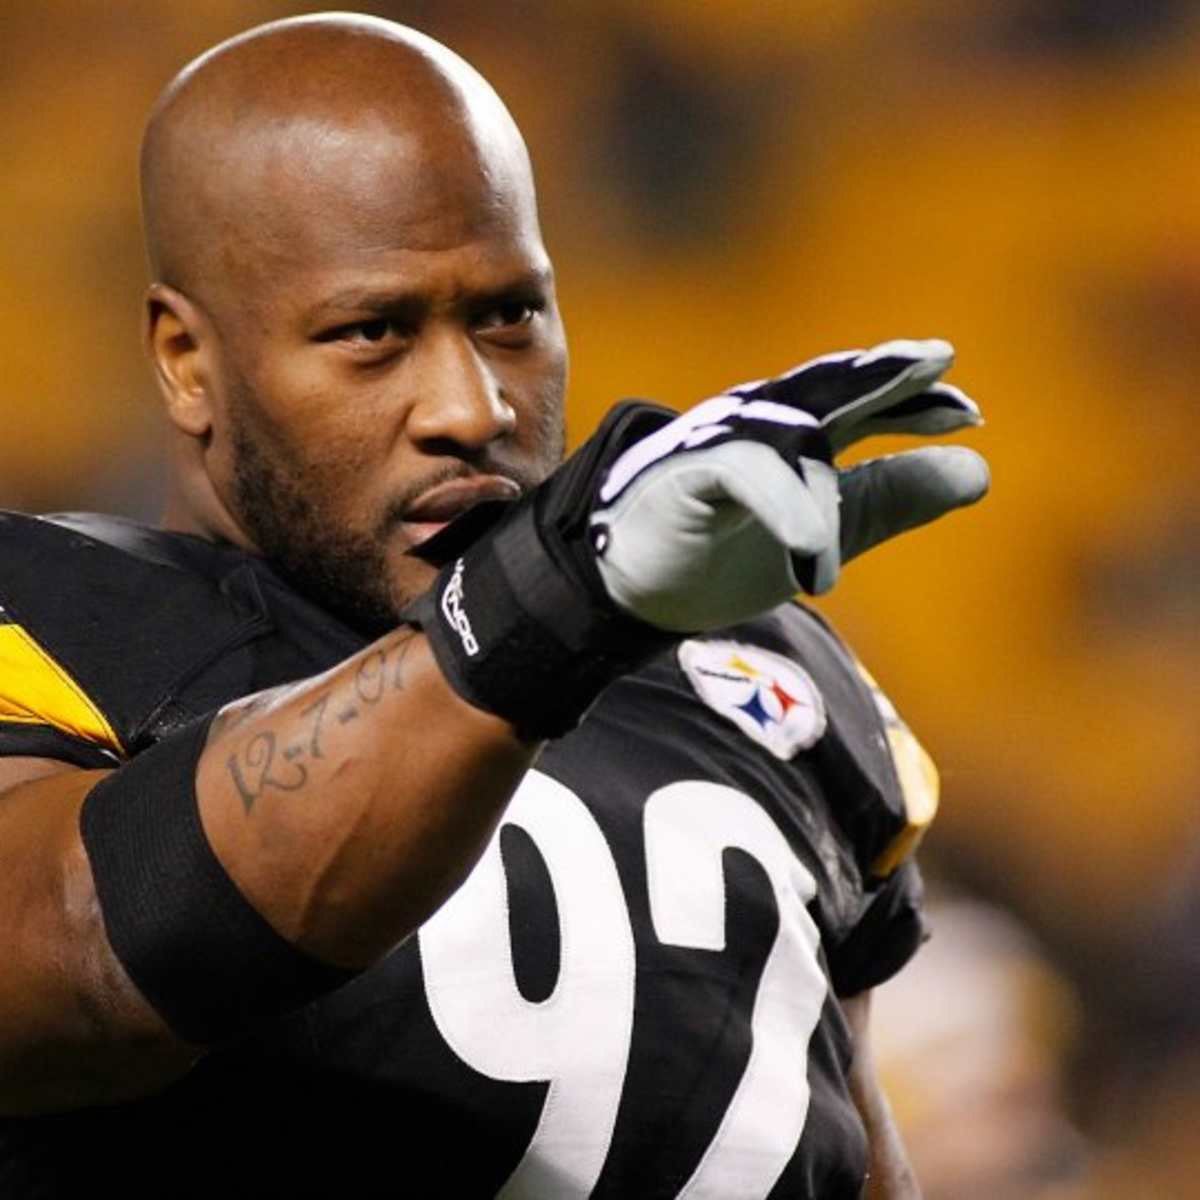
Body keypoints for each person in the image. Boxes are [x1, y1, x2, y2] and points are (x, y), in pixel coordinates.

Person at [0, 13, 988, 1199]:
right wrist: (545, 614)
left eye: (509, 316)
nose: (471, 408)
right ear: (186, 360)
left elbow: (844, 1156)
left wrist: (575, 611)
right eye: (374, 332)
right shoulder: (56, 612)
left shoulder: (758, 680)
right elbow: (72, 952)